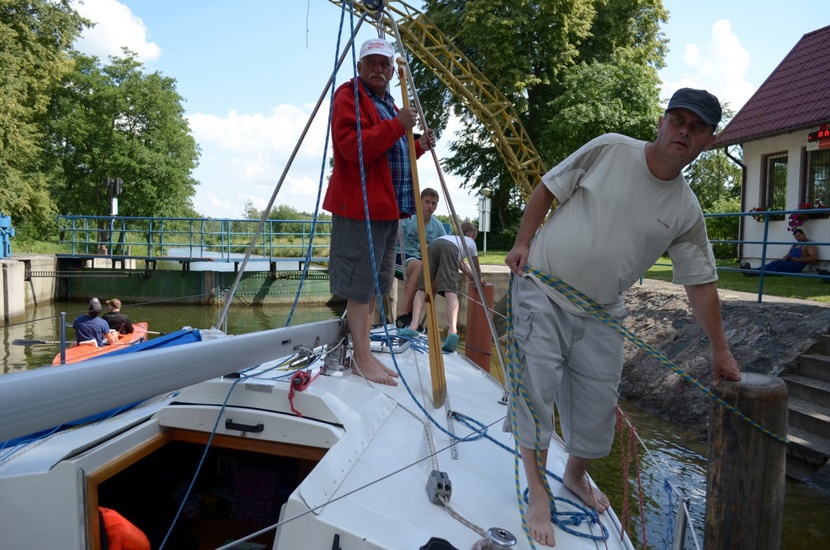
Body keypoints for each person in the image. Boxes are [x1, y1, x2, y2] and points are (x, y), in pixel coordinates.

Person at [504, 87, 742, 547]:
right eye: (678, 120)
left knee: (597, 404)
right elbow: (548, 188)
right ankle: (537, 490)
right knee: (536, 388)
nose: (684, 132)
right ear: (661, 122)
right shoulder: (610, 149)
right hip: (543, 287)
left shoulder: (687, 210)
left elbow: (700, 283)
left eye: (697, 128)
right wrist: (521, 242)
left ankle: (574, 476)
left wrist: (721, 350)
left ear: (708, 141)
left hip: (602, 311)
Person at [322, 37, 435, 386]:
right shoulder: (349, 96)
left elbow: (390, 156)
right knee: (359, 286)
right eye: (372, 62)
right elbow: (352, 147)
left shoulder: (387, 103)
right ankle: (361, 357)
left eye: (385, 64)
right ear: (359, 67)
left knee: (374, 286)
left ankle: (365, 352)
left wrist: (417, 146)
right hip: (361, 210)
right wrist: (398, 126)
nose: (379, 69)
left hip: (388, 212)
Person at [401, 222, 481, 353]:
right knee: (450, 290)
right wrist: (477, 279)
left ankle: (413, 326)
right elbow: (476, 266)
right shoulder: (470, 242)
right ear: (471, 235)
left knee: (422, 288)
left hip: (433, 245)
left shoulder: (450, 237)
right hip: (449, 249)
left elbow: (460, 263)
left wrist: (470, 275)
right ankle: (452, 333)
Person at [394, 187, 447, 329]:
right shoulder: (407, 218)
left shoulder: (438, 227)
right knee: (420, 266)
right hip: (400, 258)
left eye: (434, 203)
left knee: (434, 275)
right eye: (427, 202)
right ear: (420, 202)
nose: (430, 206)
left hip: (421, 262)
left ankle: (417, 319)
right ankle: (403, 315)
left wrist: (466, 271)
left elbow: (445, 249)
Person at [741, 228, 817, 275]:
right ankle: (753, 271)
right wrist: (786, 257)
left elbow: (813, 258)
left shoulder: (809, 243)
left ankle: (753, 272)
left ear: (804, 234)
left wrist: (798, 260)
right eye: (796, 237)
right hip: (789, 263)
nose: (798, 238)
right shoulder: (795, 244)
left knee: (777, 264)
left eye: (799, 235)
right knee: (774, 263)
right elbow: (788, 254)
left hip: (797, 266)